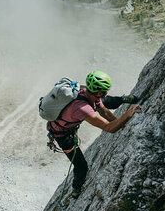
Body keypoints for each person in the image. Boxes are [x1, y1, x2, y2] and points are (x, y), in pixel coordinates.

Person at [47, 70, 141, 198]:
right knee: (81, 166)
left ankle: (124, 99)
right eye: (105, 91)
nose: (106, 93)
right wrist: (128, 114)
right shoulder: (82, 109)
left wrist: (120, 123)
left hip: (70, 120)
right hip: (62, 136)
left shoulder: (87, 92)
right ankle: (76, 189)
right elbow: (109, 128)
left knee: (106, 101)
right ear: (99, 92)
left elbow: (104, 111)